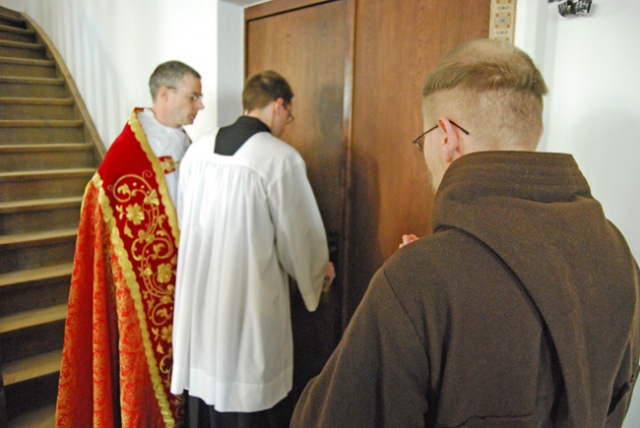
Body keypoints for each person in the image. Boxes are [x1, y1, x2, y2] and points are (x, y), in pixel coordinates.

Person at [291, 39, 640, 427]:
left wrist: (420, 283)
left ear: (446, 136)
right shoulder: (619, 252)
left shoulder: (417, 278)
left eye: (423, 140)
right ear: (537, 128)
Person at [170, 70, 335, 428]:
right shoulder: (279, 158)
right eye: (289, 117)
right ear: (279, 106)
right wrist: (318, 271)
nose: (287, 125)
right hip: (246, 311)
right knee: (248, 402)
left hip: (199, 308)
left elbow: (186, 218)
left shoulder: (197, 151)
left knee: (204, 404)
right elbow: (300, 238)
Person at [55, 60, 204, 427]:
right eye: (194, 96)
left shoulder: (189, 145)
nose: (200, 106)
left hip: (189, 286)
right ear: (165, 94)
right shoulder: (123, 161)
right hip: (143, 304)